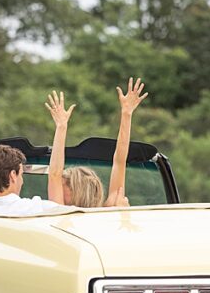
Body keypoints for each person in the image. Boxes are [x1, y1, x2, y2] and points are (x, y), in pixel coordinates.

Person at [45, 78, 148, 208]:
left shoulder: (59, 211)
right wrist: (126, 114)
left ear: (75, 190)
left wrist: (61, 127)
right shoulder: (109, 211)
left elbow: (54, 174)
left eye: (61, 185)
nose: (57, 187)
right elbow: (119, 162)